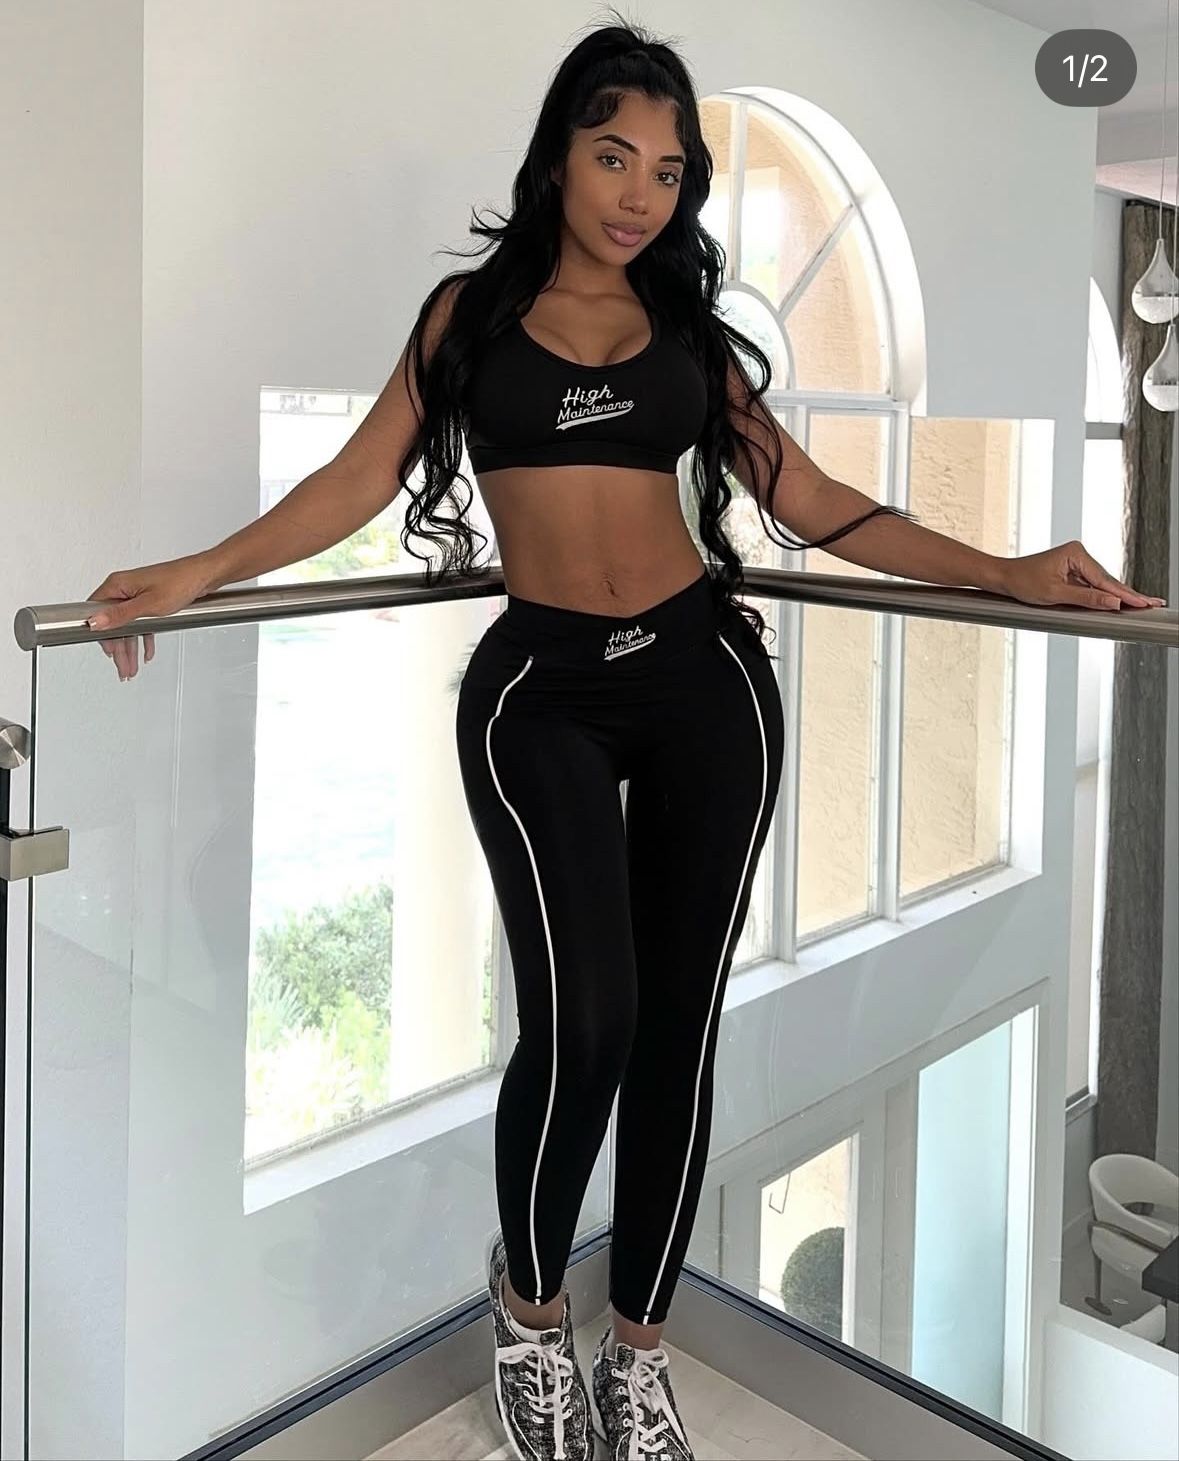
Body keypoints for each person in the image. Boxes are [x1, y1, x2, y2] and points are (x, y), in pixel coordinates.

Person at [83, 15, 1164, 1461]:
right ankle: (531, 1313)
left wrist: (1007, 570)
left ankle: (639, 1351)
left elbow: (813, 501)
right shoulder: (469, 319)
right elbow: (356, 480)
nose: (639, 193)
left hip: (706, 682)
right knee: (582, 1018)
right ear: (558, 156)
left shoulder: (692, 339)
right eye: (613, 156)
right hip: (543, 697)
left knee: (676, 1026)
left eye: (666, 169)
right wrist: (197, 571)